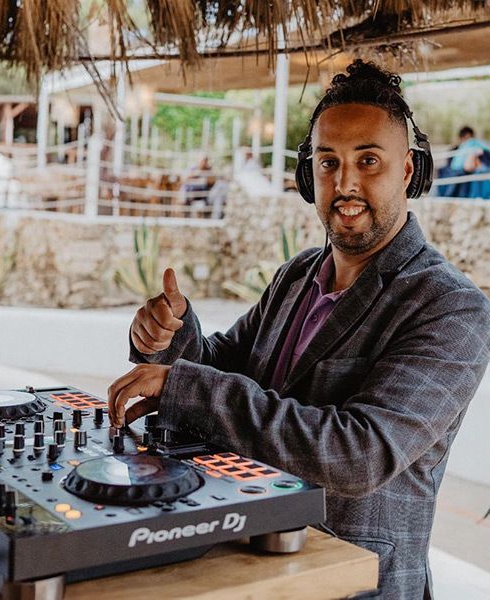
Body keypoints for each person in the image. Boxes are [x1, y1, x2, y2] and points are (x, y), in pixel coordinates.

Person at [107, 60, 490, 598]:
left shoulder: (451, 307)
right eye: (328, 161)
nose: (345, 183)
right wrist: (171, 337)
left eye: (368, 160)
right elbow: (225, 364)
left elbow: (359, 453)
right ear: (310, 174)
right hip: (248, 563)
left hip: (354, 584)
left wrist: (184, 386)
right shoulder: (298, 274)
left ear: (407, 170)